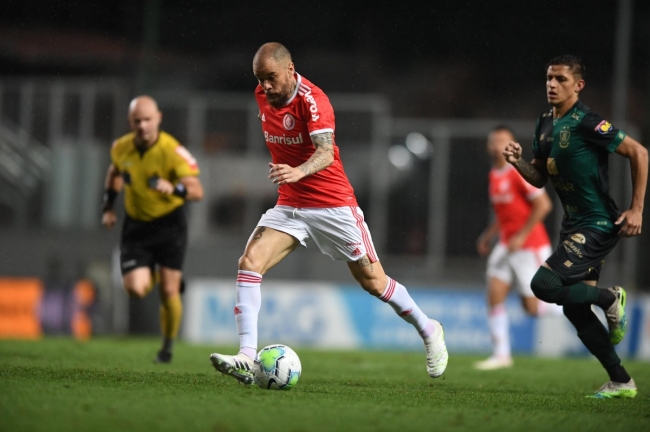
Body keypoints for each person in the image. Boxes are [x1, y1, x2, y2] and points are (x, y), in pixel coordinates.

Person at [208, 42, 448, 384]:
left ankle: (429, 329)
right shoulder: (263, 96)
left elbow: (325, 153)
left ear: (290, 70)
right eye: (259, 80)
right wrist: (291, 178)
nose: (265, 87)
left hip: (332, 204)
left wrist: (298, 171)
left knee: (374, 282)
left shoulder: (313, 101)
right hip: (291, 204)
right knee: (249, 262)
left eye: (271, 78)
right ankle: (247, 356)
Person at [503, 55, 648, 398]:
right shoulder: (544, 123)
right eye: (549, 78)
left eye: (561, 79)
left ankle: (609, 297)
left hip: (597, 222)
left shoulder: (588, 122)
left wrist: (637, 209)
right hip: (573, 225)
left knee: (543, 284)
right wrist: (518, 162)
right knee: (574, 308)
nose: (552, 85)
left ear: (578, 85)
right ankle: (621, 381)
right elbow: (539, 179)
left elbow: (639, 152)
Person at [101, 96, 204, 363]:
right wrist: (108, 206)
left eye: (148, 119)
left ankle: (167, 348)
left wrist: (175, 188)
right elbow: (114, 173)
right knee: (136, 288)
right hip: (136, 226)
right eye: (138, 121)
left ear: (158, 118)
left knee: (169, 293)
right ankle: (163, 276)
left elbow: (197, 190)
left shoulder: (172, 151)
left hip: (170, 225)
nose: (143, 126)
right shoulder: (121, 148)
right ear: (130, 122)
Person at [475, 125, 559, 370]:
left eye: (503, 140)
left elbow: (543, 205)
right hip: (506, 244)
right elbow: (505, 214)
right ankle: (501, 355)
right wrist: (489, 235)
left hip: (529, 246)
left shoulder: (518, 173)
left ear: (512, 144)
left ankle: (580, 304)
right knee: (494, 294)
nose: (497, 144)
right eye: (493, 140)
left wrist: (522, 236)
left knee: (533, 309)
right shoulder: (495, 173)